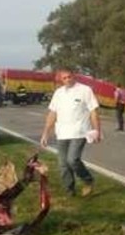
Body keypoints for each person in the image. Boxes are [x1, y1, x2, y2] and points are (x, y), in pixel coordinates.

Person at [39, 68, 100, 197]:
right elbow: (52, 114)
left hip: (80, 132)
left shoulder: (85, 90)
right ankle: (69, 190)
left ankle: (88, 180)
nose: (68, 80)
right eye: (64, 78)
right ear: (61, 80)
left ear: (74, 76)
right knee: (63, 164)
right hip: (62, 133)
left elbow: (93, 112)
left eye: (69, 77)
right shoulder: (58, 93)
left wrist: (96, 130)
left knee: (72, 160)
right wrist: (45, 133)